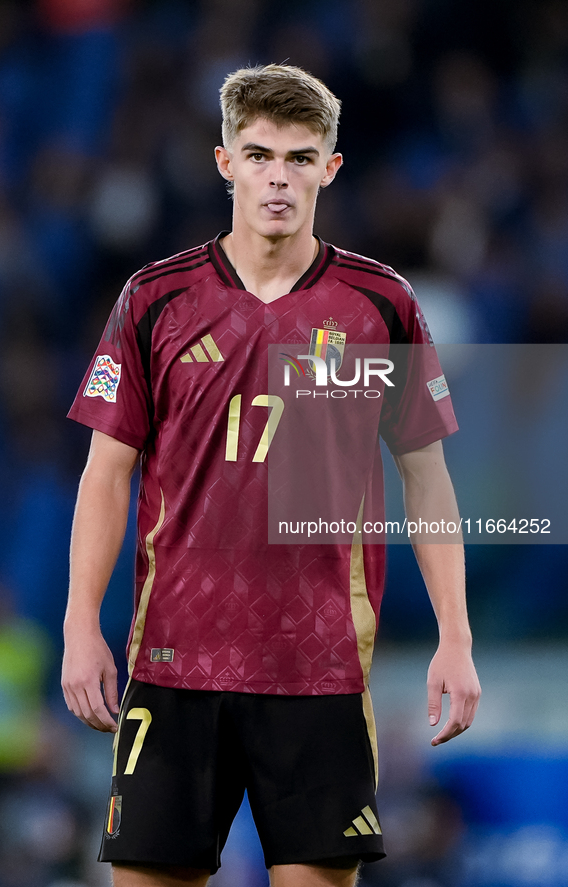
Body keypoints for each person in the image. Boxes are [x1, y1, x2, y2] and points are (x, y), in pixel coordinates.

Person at [62, 64, 481, 887]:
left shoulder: (379, 305)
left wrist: (456, 636)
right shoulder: (155, 300)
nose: (277, 178)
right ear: (224, 162)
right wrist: (81, 623)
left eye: (298, 157)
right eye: (258, 156)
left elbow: (426, 478)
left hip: (318, 668)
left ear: (330, 166)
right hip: (173, 664)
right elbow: (105, 474)